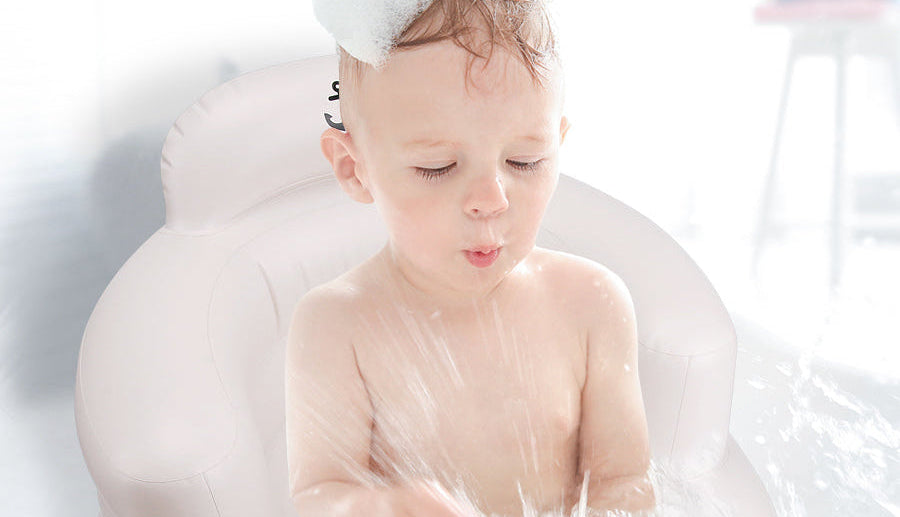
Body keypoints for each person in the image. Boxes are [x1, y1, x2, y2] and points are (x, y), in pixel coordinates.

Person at [286, 1, 655, 515]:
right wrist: (380, 509)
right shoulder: (337, 324)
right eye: (438, 167)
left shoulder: (590, 305)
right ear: (354, 168)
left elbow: (624, 483)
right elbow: (318, 497)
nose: (491, 198)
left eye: (524, 161)